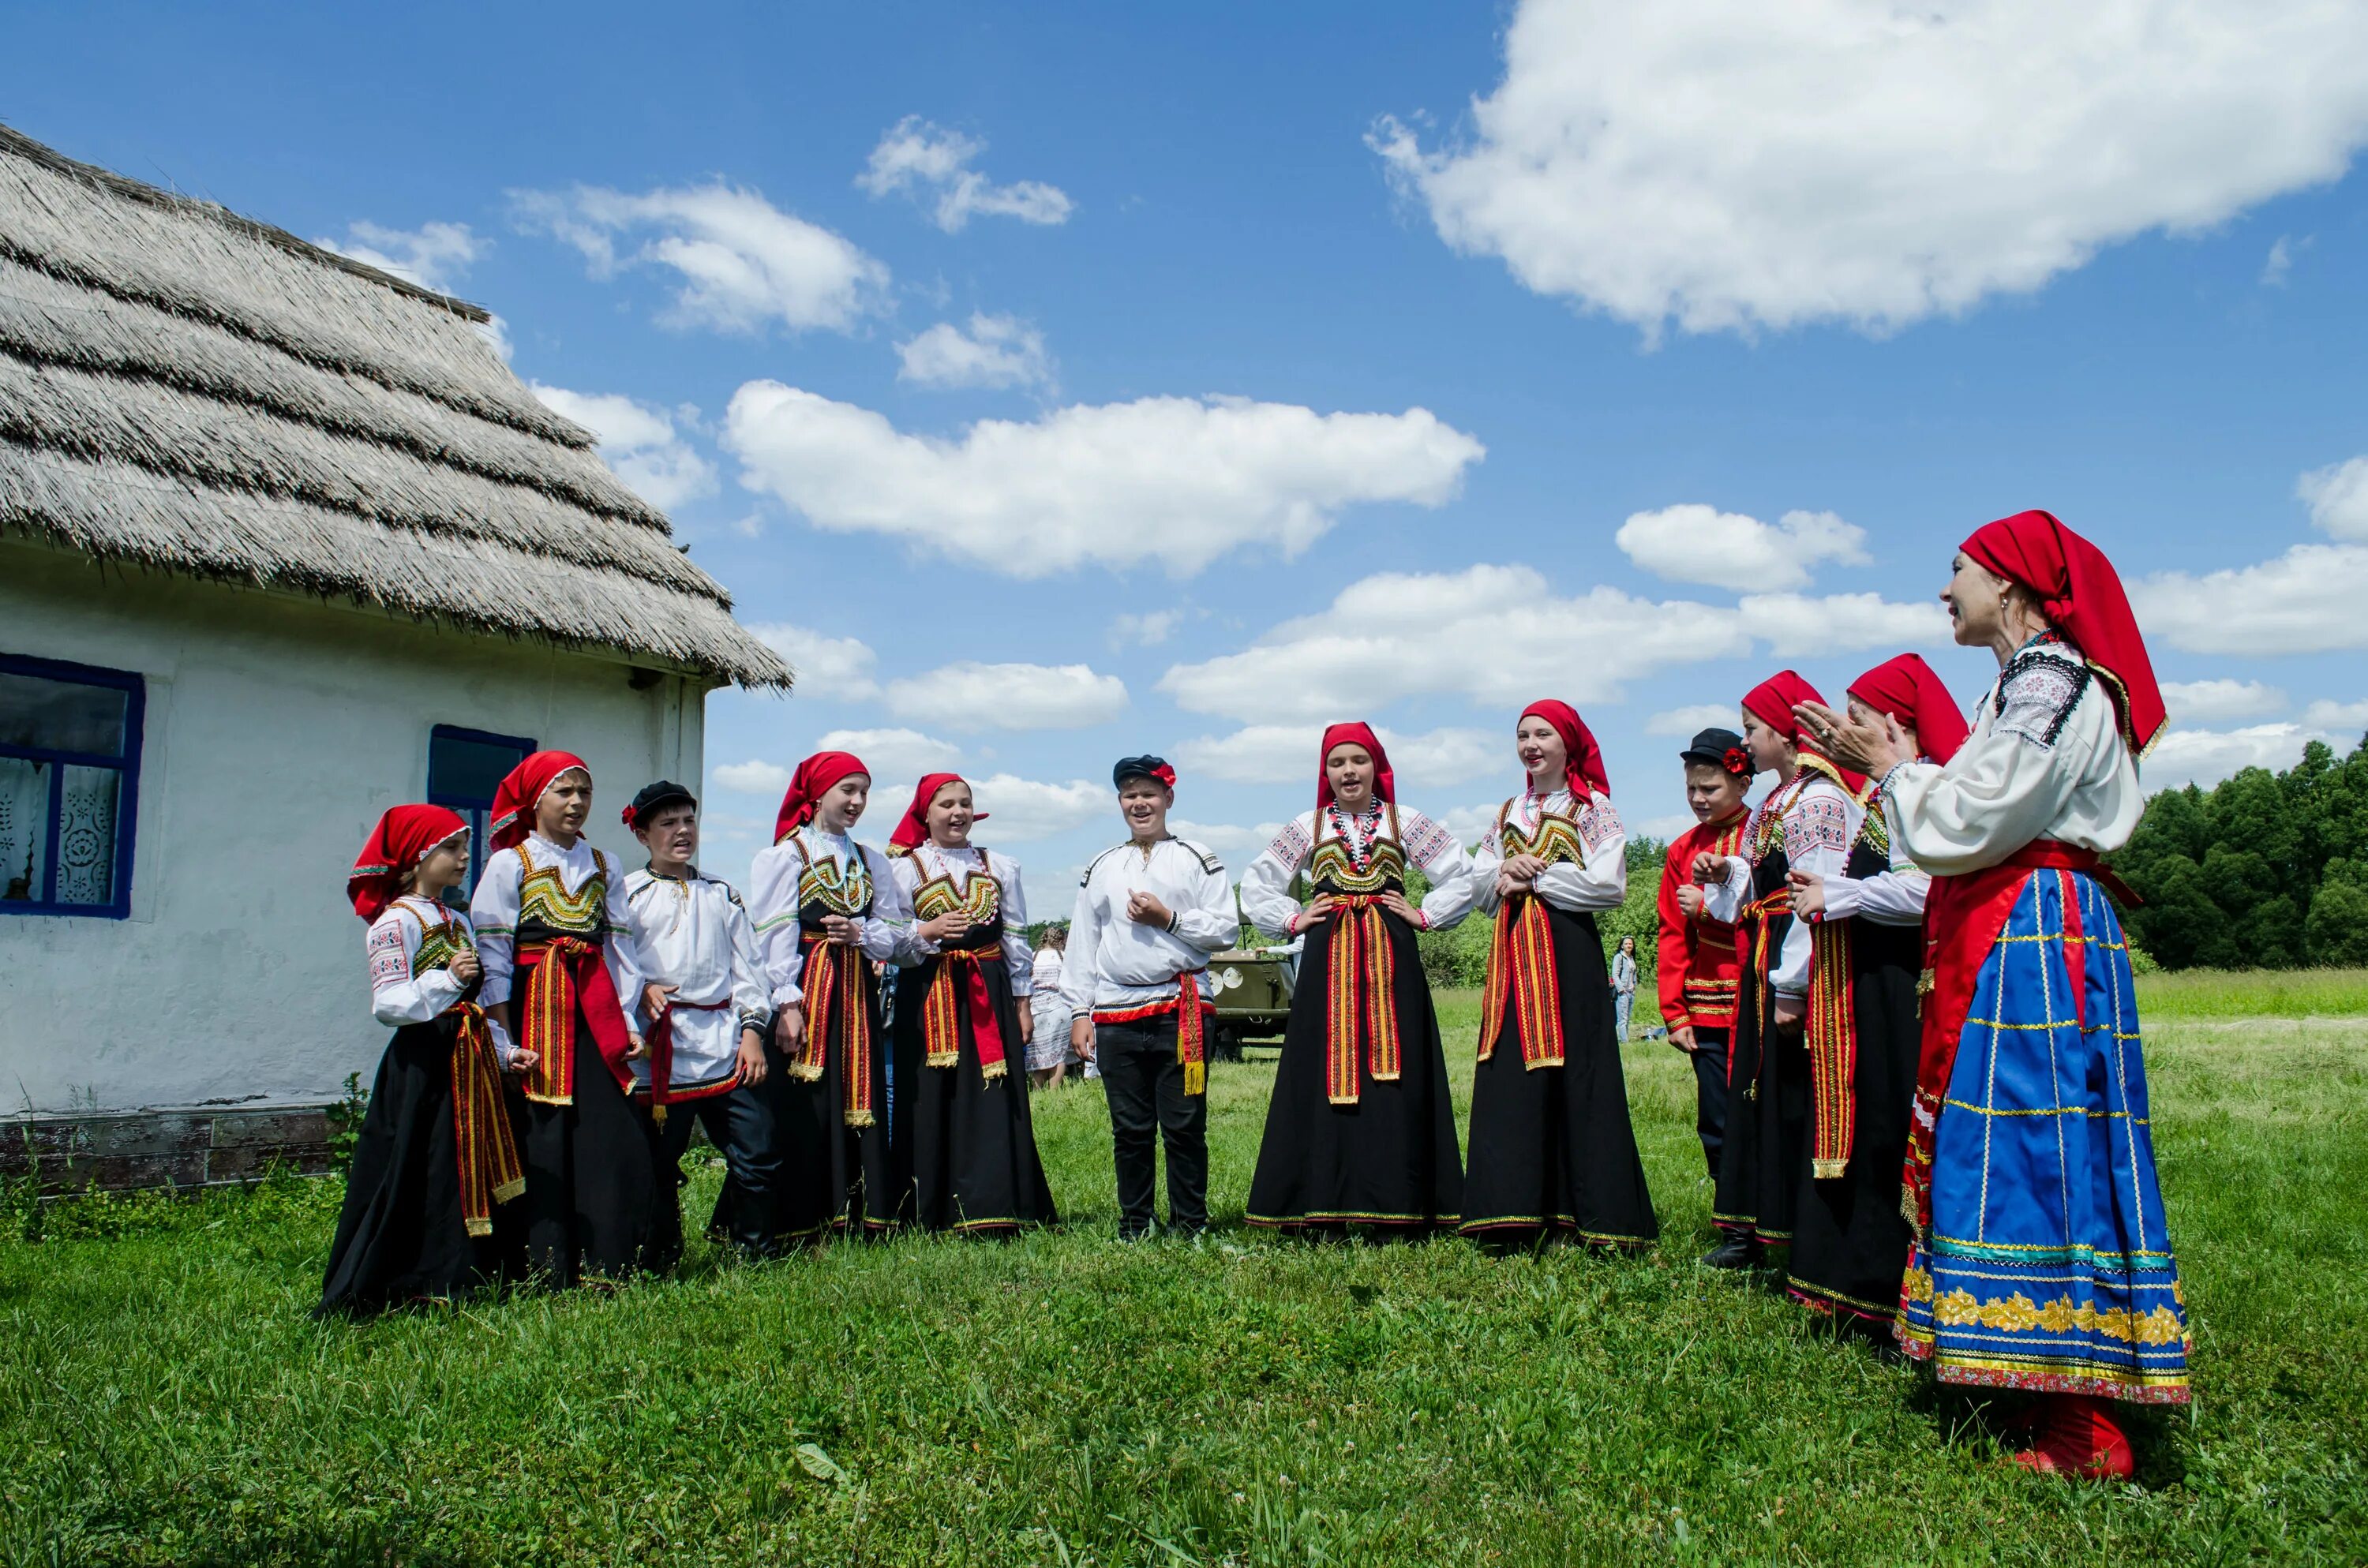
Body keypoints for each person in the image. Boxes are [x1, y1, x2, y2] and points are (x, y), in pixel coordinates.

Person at [1801, 511, 2187, 1478]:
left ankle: (2084, 1418)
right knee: (2011, 1142)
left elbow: (1970, 817)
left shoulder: (2053, 682)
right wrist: (1887, 772)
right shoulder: (2022, 685)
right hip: (2016, 919)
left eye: (1959, 570)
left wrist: (1889, 771)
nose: (1946, 589)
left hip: (2032, 931)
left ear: (2010, 585)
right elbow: (1970, 808)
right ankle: (2030, 1373)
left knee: (2041, 1146)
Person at [1780, 657, 1966, 1338]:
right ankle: (1858, 1286)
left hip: (1909, 984)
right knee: (1870, 1125)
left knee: (1894, 1128)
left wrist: (1841, 894)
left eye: (1855, 717)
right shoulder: (1880, 796)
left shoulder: (1933, 787)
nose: (1843, 730)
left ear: (1897, 724)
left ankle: (1900, 1293)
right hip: (1874, 981)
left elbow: (1931, 889)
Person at [1238, 723, 1476, 1234]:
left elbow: (1463, 872)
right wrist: (1291, 917)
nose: (1349, 771)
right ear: (1325, 772)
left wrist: (1427, 913)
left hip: (1392, 959)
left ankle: (1402, 1205)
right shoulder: (1309, 825)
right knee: (1324, 1067)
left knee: (1399, 1070)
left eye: (1358, 761)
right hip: (1328, 959)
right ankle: (1323, 1204)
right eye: (1337, 762)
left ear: (1377, 767)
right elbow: (1259, 879)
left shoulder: (1403, 820)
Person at [1461, 702, 1658, 1249]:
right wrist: (1502, 869)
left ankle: (1583, 1215)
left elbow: (1609, 885)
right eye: (1523, 734)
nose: (1531, 743)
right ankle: (1511, 1215)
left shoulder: (1594, 809)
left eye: (1543, 733)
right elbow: (1479, 890)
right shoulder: (1506, 812)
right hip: (1512, 961)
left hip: (1568, 955)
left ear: (1567, 741)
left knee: (1578, 1073)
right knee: (1511, 1074)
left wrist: (1538, 877)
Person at [473, 752, 671, 1286]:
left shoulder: (603, 865)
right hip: (533, 1014)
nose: (577, 802)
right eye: (564, 792)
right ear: (535, 801)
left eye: (584, 791)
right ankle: (542, 1264)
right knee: (540, 1134)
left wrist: (628, 1020)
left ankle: (609, 1256)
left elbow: (619, 949)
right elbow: (493, 952)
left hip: (592, 1010)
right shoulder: (510, 863)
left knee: (608, 1130)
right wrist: (501, 1036)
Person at [321, 806, 524, 1315]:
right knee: (422, 1165)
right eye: (451, 848)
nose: (462, 858)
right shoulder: (394, 924)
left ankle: (466, 1270)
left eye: (463, 847)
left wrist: (505, 1052)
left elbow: (475, 1005)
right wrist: (448, 979)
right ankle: (409, 1276)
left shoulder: (456, 920)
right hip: (422, 1065)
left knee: (464, 1163)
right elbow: (389, 1004)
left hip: (468, 1058)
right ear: (417, 857)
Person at [1694, 676, 1863, 1273]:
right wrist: (1728, 873)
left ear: (1784, 733)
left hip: (1798, 963)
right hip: (1765, 955)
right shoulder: (1776, 799)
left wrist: (1793, 986)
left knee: (1792, 1094)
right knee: (1757, 1092)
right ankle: (1759, 1225)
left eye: (1750, 729)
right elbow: (1763, 884)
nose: (1744, 741)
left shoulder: (1819, 800)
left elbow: (1811, 894)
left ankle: (1801, 1225)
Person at [747, 751, 920, 1241]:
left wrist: (860, 934)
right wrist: (786, 1004)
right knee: (804, 1098)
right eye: (847, 790)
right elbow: (772, 934)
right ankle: (798, 1224)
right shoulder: (785, 857)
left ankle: (858, 1218)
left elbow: (893, 933)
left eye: (864, 792)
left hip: (857, 994)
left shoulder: (871, 861)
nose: (857, 801)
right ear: (817, 794)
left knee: (856, 1093)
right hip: (808, 991)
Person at [1062, 756, 1235, 1240]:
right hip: (1116, 1010)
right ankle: (1136, 1222)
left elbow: (1226, 930)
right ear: (1120, 803)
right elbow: (1083, 942)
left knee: (1184, 1124)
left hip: (1182, 1009)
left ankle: (1190, 1223)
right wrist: (1080, 1011)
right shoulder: (1102, 866)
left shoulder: (1198, 858)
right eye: (1130, 795)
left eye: (1149, 794)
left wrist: (1169, 918)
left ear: (1168, 800)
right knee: (1130, 1129)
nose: (1140, 803)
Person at [885, 773, 1058, 1234]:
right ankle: (929, 1208)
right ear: (926, 813)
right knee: (928, 1092)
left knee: (993, 1089)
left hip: (990, 989)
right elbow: (891, 940)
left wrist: (1023, 1004)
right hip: (926, 993)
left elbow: (1016, 936)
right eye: (947, 805)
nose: (958, 812)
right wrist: (927, 933)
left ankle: (996, 1203)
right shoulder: (903, 869)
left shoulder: (1000, 865)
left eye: (965, 803)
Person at [621, 780, 779, 1263]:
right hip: (658, 1051)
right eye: (667, 823)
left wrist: (752, 1033)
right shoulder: (628, 895)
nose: (682, 831)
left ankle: (753, 1249)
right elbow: (617, 964)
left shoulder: (722, 893)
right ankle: (660, 1258)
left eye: (688, 820)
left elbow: (749, 971)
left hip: (723, 1043)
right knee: (657, 1163)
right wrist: (641, 987)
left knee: (757, 1153)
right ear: (643, 835)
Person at [1656, 728, 1753, 1179]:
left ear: (1743, 782)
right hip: (1708, 1008)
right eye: (1691, 788)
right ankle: (1733, 1230)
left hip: (1762, 1002)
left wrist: (1711, 912)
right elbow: (1672, 934)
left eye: (1709, 787)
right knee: (1716, 1118)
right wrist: (1675, 1013)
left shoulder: (1764, 836)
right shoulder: (1682, 848)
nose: (1698, 797)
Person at [1027, 926, 1073, 1088]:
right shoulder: (1064, 957)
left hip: (1035, 1009)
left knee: (1039, 1055)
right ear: (1061, 941)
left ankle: (1036, 1091)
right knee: (1059, 1055)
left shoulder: (1032, 957)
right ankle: (1054, 1093)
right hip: (1059, 1006)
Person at [1609, 937, 1639, 1041]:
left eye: (1630, 944)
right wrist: (1621, 989)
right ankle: (1625, 1041)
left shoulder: (1631, 958)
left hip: (1631, 991)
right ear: (1622, 946)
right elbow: (1615, 974)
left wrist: (1634, 987)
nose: (1628, 946)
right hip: (1623, 992)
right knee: (1622, 1018)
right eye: (1626, 944)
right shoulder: (1619, 957)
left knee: (1628, 1017)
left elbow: (1634, 974)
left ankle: (1624, 1038)